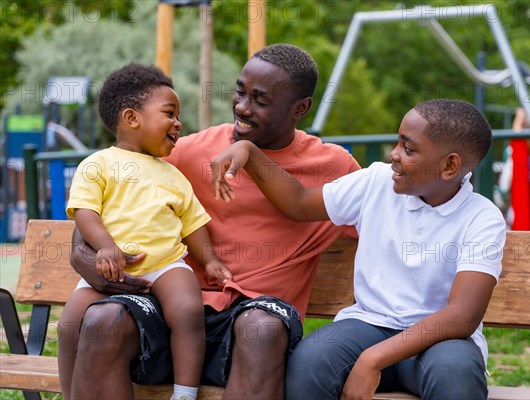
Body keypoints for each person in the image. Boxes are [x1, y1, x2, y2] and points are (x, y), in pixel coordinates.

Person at [66, 44, 361, 399]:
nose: (241, 107)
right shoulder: (186, 153)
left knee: (263, 327)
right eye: (240, 92)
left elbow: (395, 217)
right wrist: (82, 256)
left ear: (300, 109)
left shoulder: (332, 168)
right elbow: (100, 206)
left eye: (260, 100)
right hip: (171, 311)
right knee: (103, 321)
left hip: (252, 318)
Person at [211, 99, 507, 400]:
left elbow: (461, 316)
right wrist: (250, 153)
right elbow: (298, 202)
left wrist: (372, 360)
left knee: (456, 377)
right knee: (309, 364)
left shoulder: (481, 217)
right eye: (398, 142)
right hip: (367, 326)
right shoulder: (376, 182)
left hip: (439, 342)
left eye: (408, 148)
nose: (393, 154)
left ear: (449, 166)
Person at [58, 63, 232, 400]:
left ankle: (184, 392)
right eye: (170, 113)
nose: (178, 122)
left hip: (165, 264)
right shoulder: (98, 164)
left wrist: (209, 261)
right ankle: (69, 394)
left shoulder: (173, 175)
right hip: (109, 266)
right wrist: (106, 248)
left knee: (187, 309)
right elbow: (85, 211)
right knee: (68, 325)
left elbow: (193, 223)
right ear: (131, 118)